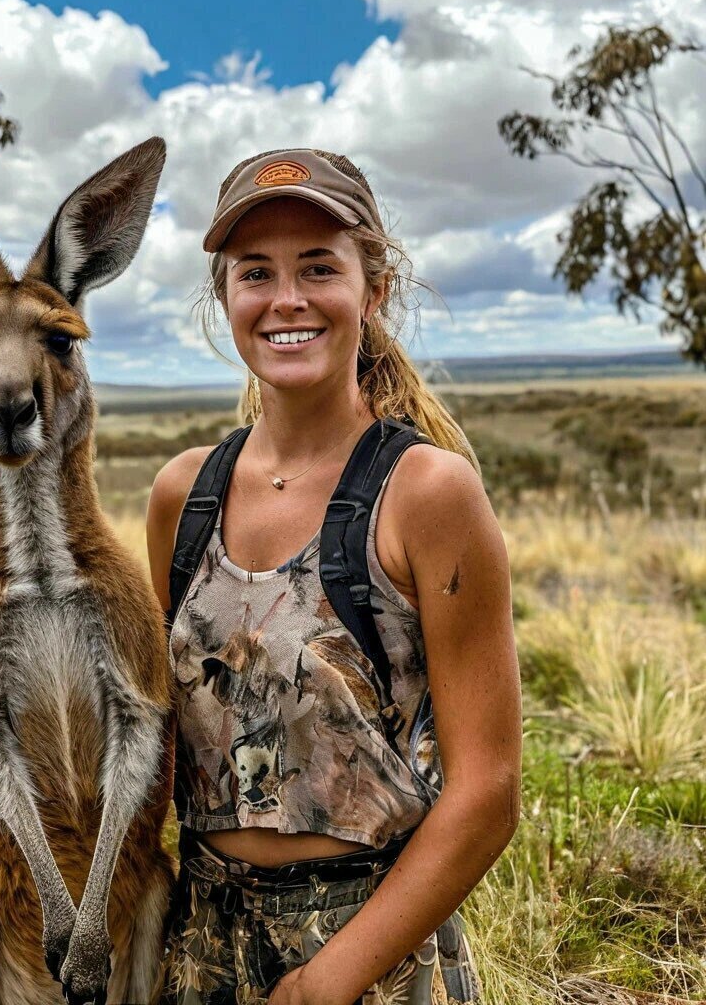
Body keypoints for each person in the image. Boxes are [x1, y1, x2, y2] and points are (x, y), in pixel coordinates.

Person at [145, 148, 522, 1005]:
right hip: (195, 945)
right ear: (224, 296)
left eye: (319, 267)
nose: (287, 299)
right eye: (256, 273)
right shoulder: (183, 495)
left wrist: (329, 982)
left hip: (373, 951)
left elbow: (488, 791)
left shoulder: (427, 493)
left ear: (373, 288)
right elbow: (163, 743)